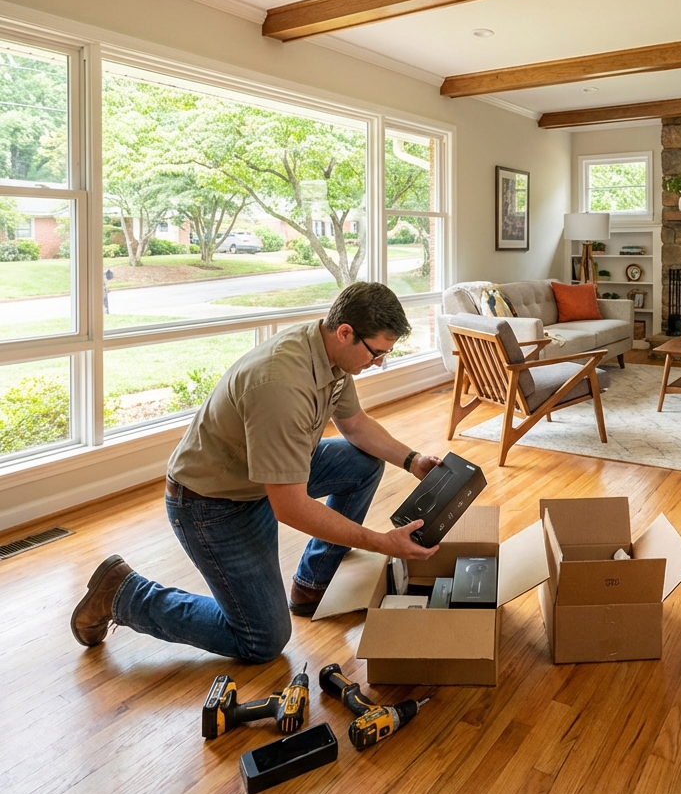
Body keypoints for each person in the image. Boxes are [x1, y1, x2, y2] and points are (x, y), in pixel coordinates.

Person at [70, 281, 442, 662]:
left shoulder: (331, 354)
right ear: (346, 332)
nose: (378, 361)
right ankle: (123, 594)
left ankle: (312, 583)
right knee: (263, 639)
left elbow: (356, 425)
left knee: (360, 462)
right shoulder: (282, 385)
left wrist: (413, 460)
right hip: (211, 505)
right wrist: (382, 542)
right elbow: (290, 507)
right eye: (376, 352)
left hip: (261, 478)